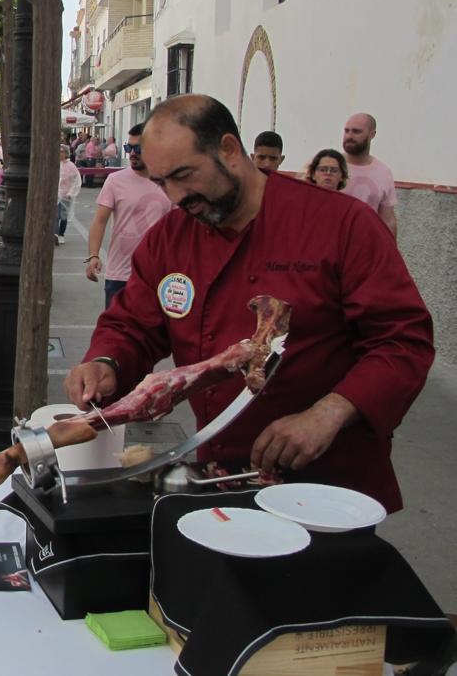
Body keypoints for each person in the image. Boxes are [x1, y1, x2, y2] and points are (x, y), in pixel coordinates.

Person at [65, 94, 433, 513]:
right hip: (217, 474)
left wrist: (330, 412)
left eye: (185, 175)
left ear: (228, 149)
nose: (176, 196)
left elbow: (403, 342)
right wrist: (106, 362)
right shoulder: (172, 237)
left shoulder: (342, 224)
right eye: (162, 182)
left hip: (329, 479)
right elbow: (133, 324)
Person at [85, 124, 171, 308]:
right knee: (116, 334)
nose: (132, 153)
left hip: (160, 278)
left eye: (138, 148)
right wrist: (93, 256)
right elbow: (100, 221)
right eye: (128, 148)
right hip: (120, 275)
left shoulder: (169, 183)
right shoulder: (115, 181)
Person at [341, 113, 397, 239]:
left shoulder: (383, 172)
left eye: (356, 132)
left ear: (372, 135)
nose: (349, 136)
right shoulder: (329, 166)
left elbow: (388, 220)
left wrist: (391, 253)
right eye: (346, 131)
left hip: (365, 246)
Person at [55, 144, 81, 245]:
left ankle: (61, 234)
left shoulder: (71, 166)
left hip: (66, 195)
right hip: (56, 194)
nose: (60, 153)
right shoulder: (55, 164)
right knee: (56, 215)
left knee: (63, 216)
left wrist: (71, 192)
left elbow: (76, 181)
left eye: (62, 151)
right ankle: (56, 234)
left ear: (66, 153)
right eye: (59, 151)